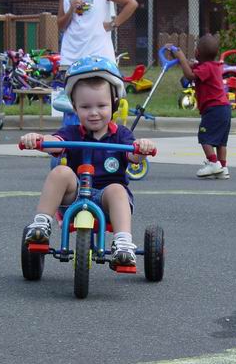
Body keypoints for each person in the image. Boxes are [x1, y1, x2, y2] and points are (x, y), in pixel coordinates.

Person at [20, 56, 155, 269]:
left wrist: (142, 149)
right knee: (61, 172)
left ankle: (123, 243)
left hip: (107, 201)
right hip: (74, 195)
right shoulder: (72, 132)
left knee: (117, 189)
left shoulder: (121, 135)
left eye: (101, 105)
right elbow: (56, 142)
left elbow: (134, 156)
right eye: (85, 107)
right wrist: (38, 140)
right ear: (74, 107)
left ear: (114, 104)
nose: (93, 113)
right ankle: (41, 224)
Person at [169, 35, 231, 179]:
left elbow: (190, 76)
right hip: (224, 108)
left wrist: (181, 58)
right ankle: (223, 167)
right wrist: (179, 58)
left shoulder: (206, 68)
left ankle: (213, 163)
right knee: (221, 141)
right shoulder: (213, 66)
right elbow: (192, 67)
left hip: (213, 109)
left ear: (197, 52)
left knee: (205, 137)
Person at [58, 0, 138, 66]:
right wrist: (71, 10)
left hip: (99, 55)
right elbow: (60, 26)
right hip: (70, 57)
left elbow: (131, 3)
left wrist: (112, 24)